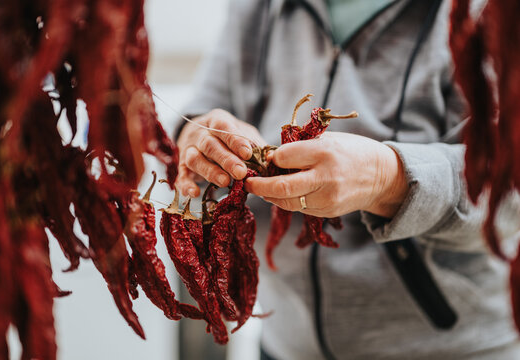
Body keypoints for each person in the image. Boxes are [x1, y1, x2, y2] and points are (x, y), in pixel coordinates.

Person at [175, 0, 520, 358]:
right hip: (287, 343)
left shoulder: (485, 11)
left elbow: (509, 190)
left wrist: (389, 178)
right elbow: (201, 112)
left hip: (448, 348)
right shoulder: (257, 6)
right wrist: (199, 140)